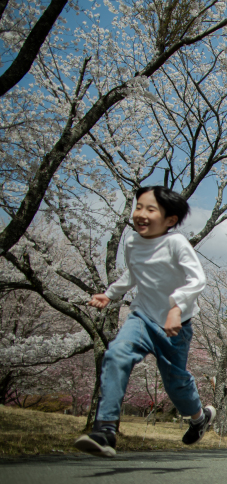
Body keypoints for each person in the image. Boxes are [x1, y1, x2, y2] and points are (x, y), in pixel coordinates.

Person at [74, 186, 215, 458]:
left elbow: (197, 279)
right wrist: (110, 294)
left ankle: (199, 417)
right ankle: (105, 429)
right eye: (139, 206)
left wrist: (176, 307)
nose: (141, 214)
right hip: (142, 316)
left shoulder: (176, 243)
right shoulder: (131, 242)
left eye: (151, 209)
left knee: (176, 385)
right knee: (116, 355)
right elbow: (132, 274)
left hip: (175, 327)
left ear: (170, 220)